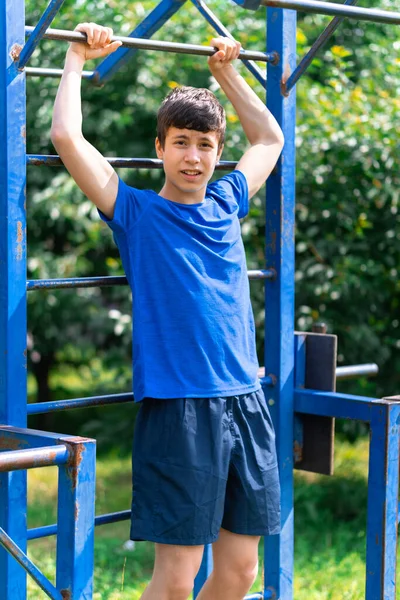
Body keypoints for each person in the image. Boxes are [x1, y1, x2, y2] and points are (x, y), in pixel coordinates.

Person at [51, 22, 284, 600]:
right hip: (180, 408)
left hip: (245, 401)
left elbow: (270, 139)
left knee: (239, 572)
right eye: (181, 142)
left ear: (218, 153)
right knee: (177, 581)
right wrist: (77, 58)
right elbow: (66, 137)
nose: (193, 156)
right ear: (159, 148)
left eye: (205, 145)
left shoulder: (229, 201)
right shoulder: (134, 212)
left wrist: (226, 73)